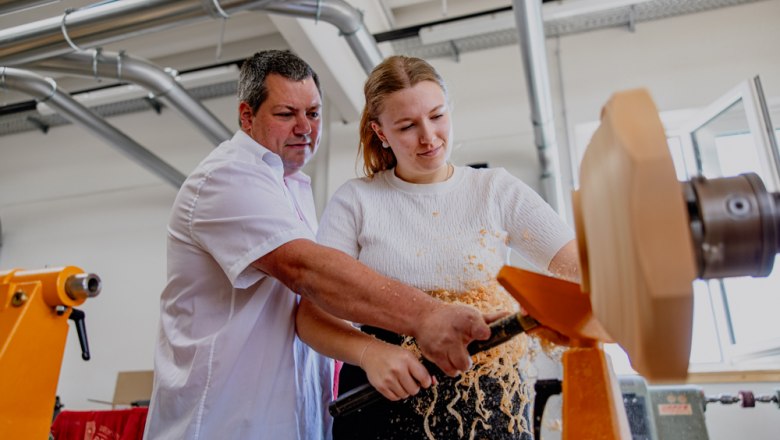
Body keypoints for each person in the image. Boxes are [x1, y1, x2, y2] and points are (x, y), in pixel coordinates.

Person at [143, 50, 496, 440]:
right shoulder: (227, 178)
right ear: (247, 116)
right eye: (285, 114)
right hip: (223, 424)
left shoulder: (290, 188)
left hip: (292, 422)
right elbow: (308, 272)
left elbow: (307, 311)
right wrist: (427, 316)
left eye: (313, 113)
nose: (304, 128)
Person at [296, 55, 579, 440]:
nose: (429, 137)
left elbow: (576, 268)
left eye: (438, 116)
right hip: (383, 396)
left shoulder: (495, 190)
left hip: (490, 400)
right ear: (381, 132)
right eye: (408, 126)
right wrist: (369, 353)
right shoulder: (357, 201)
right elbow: (310, 315)